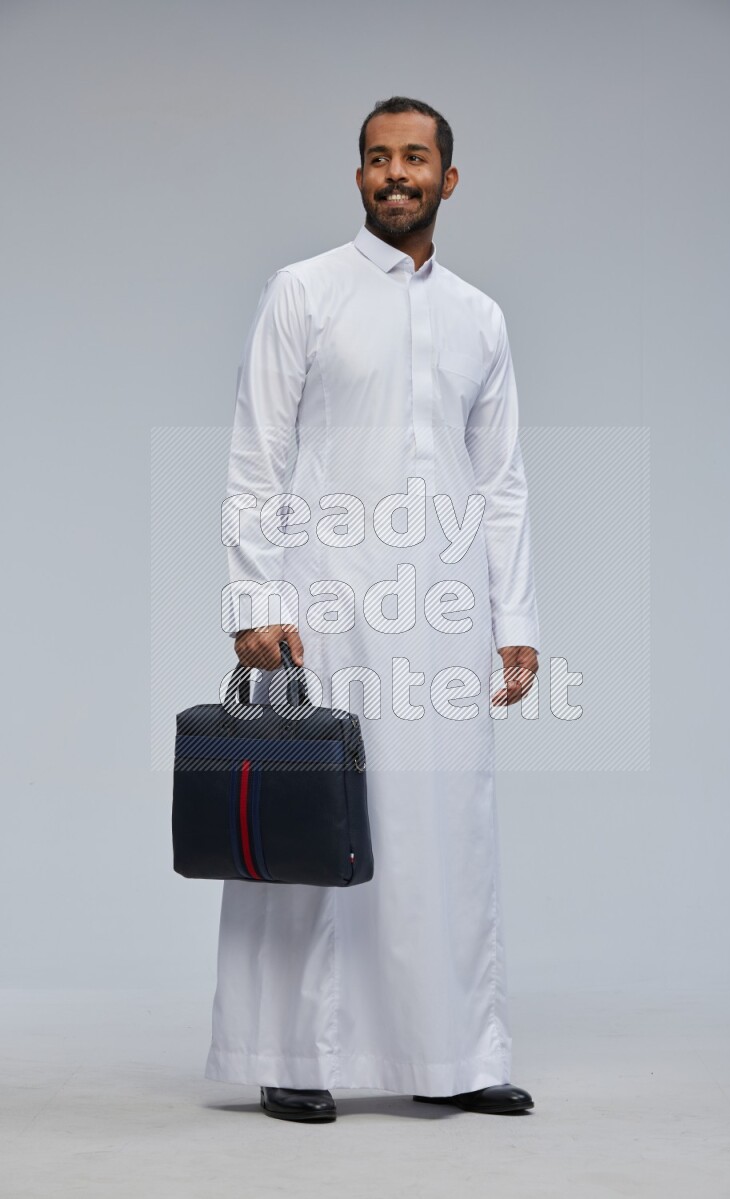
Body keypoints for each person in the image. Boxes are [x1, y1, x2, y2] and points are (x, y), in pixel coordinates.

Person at [206, 96, 541, 1123]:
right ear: (358, 176)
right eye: (378, 157)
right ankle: (292, 1052)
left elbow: (501, 484)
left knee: (446, 829)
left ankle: (453, 1052)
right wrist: (254, 597)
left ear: (448, 178)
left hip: (443, 613)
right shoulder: (304, 291)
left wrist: (515, 622)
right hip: (325, 603)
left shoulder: (480, 317)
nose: (396, 172)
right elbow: (257, 451)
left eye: (415, 157)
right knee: (318, 817)